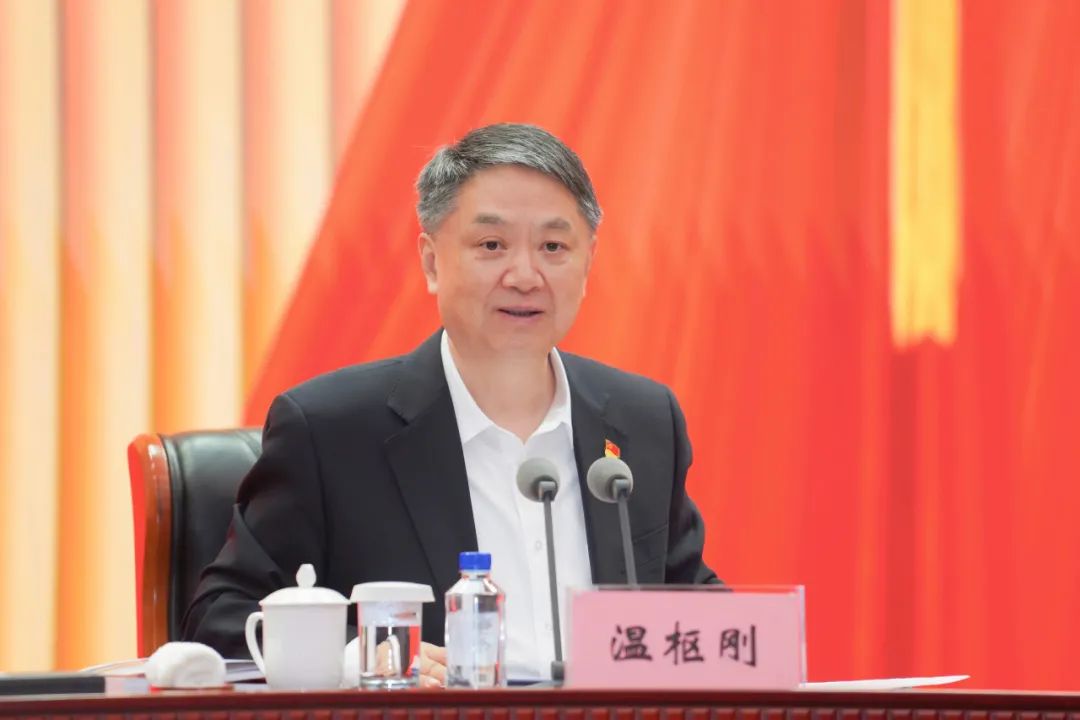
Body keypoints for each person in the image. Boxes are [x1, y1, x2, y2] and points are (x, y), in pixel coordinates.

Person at [182, 123, 719, 684]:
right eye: (491, 246)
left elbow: (693, 608)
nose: (525, 276)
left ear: (588, 263)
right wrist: (362, 659)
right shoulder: (329, 431)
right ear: (432, 262)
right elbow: (218, 619)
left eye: (553, 247)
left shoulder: (641, 420)